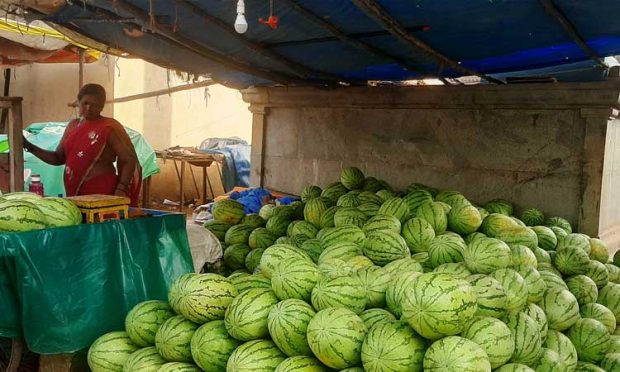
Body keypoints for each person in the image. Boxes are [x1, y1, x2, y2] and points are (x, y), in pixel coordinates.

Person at [23, 83, 141, 205]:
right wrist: (29, 146)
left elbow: (128, 159)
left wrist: (121, 188)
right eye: (85, 103)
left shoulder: (108, 127)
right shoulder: (72, 126)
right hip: (75, 192)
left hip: (102, 191)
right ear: (78, 102)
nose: (89, 108)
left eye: (94, 105)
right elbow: (58, 157)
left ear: (101, 106)